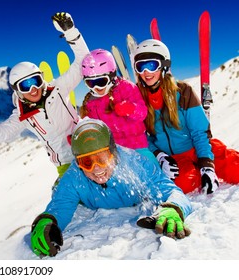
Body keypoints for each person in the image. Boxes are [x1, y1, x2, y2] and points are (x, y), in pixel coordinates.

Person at [30, 118, 192, 258]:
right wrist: (46, 222)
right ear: (78, 163)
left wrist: (173, 208)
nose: (96, 169)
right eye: (87, 162)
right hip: (85, 198)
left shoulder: (136, 164)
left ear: (113, 153)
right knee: (59, 186)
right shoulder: (74, 177)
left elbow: (171, 191)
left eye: (102, 158)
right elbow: (59, 206)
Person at [0, 12, 89, 180]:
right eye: (25, 85)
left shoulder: (58, 89)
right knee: (71, 197)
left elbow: (82, 62)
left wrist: (71, 32)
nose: (33, 89)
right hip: (64, 163)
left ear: (42, 79)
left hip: (86, 148)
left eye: (35, 80)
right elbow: (0, 135)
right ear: (17, 90)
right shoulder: (23, 116)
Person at [132, 39, 239, 194]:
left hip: (198, 147)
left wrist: (207, 164)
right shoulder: (137, 99)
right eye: (140, 67)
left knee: (235, 169)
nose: (146, 72)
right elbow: (140, 136)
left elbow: (199, 131)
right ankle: (194, 171)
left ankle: (205, 166)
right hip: (175, 158)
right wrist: (159, 155)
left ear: (164, 65)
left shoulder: (183, 92)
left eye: (151, 65)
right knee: (185, 183)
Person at [79, 49, 156, 164]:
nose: (96, 87)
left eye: (101, 81)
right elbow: (95, 130)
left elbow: (143, 113)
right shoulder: (90, 102)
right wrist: (82, 137)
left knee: (152, 174)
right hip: (114, 154)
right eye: (90, 83)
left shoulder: (126, 88)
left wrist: (131, 108)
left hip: (138, 147)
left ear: (111, 75)